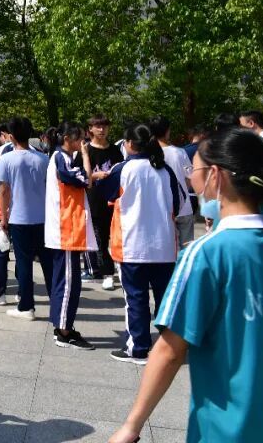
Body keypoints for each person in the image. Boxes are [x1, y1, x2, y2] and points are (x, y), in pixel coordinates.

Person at [108, 127, 263, 443]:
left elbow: (169, 351)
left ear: (216, 176)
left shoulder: (206, 254)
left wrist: (131, 427)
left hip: (225, 430)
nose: (190, 178)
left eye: (195, 171)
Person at [93, 124, 182, 366]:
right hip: (164, 245)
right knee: (165, 299)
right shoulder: (165, 170)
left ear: (130, 144)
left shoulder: (123, 169)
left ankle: (138, 347)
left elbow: (105, 193)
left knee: (135, 299)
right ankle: (170, 345)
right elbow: (177, 204)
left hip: (132, 244)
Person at [41, 123, 96, 350]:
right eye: (80, 138)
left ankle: (63, 326)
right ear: (67, 138)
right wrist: (86, 156)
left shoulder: (62, 158)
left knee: (65, 281)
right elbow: (87, 180)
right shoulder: (61, 158)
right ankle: (64, 331)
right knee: (68, 283)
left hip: (67, 229)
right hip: (66, 230)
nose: (83, 142)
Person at [0, 117, 51, 320]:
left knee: (24, 264)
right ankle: (57, 303)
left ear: (11, 136)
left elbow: (4, 191)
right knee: (49, 265)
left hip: (19, 218)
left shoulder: (6, 159)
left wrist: (3, 217)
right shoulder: (43, 159)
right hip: (43, 218)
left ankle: (26, 306)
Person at [75, 114, 125, 290]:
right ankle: (107, 273)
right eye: (98, 126)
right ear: (90, 129)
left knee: (118, 237)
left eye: (105, 126)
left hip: (114, 201)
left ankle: (119, 268)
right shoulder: (85, 151)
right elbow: (78, 176)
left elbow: (123, 172)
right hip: (94, 201)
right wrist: (94, 176)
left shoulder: (115, 151)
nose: (102, 130)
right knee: (100, 240)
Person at [148, 116, 195, 247]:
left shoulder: (148, 155)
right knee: (186, 248)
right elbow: (190, 178)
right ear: (168, 130)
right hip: (184, 207)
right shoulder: (179, 152)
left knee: (167, 250)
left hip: (161, 209)